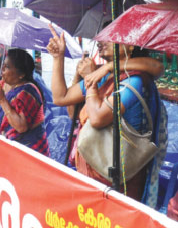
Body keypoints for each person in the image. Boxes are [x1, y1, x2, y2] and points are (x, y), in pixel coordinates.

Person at [47, 25, 167, 204]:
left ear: (131, 45)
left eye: (110, 37)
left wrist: (91, 82)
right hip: (93, 172)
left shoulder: (134, 81)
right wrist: (58, 59)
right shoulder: (104, 75)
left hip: (117, 182)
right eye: (101, 36)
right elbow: (60, 97)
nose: (100, 42)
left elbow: (96, 119)